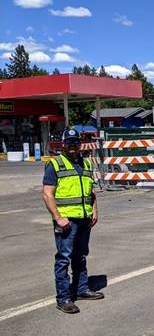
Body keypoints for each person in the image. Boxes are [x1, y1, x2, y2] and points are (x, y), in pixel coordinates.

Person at [42, 128, 103, 314]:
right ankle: (64, 298)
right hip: (67, 221)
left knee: (81, 255)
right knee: (63, 259)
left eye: (75, 142)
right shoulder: (56, 164)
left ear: (80, 143)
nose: (72, 146)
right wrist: (58, 217)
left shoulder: (86, 164)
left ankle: (81, 288)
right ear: (63, 144)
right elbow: (47, 194)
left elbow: (90, 191)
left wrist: (94, 209)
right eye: (68, 143)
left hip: (84, 219)